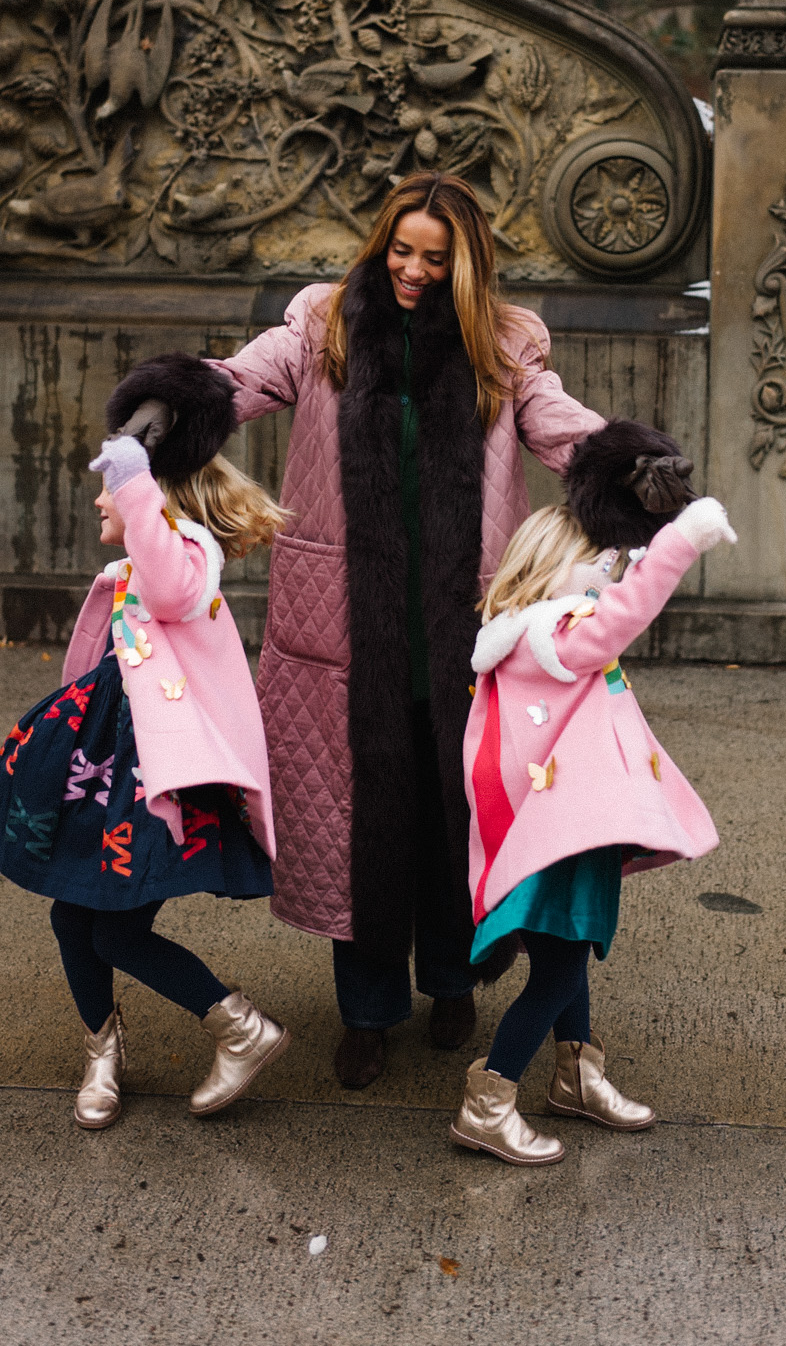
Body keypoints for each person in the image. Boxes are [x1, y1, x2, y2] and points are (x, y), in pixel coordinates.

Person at [107, 172, 615, 1089]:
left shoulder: (504, 346)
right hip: (340, 633)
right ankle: (368, 1013)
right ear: (381, 242)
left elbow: (558, 426)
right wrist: (170, 408)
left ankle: (455, 979)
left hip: (465, 628)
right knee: (354, 826)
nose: (413, 270)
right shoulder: (323, 326)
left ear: (467, 263)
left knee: (452, 816)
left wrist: (632, 469)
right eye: (401, 249)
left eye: (435, 256)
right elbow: (239, 378)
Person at [0, 364, 291, 1131]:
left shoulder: (183, 558)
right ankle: (103, 1051)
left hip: (160, 785)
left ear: (150, 500)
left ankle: (238, 1026)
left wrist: (137, 479)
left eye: (110, 487)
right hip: (108, 775)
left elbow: (174, 591)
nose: (99, 498)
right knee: (71, 917)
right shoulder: (136, 569)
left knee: (115, 926)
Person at [450, 422, 735, 1165]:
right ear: (556, 573)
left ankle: (577, 1073)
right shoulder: (559, 636)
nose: (615, 571)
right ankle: (491, 1098)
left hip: (563, 825)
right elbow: (618, 616)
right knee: (560, 968)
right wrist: (680, 543)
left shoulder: (527, 637)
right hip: (560, 830)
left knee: (567, 950)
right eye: (601, 565)